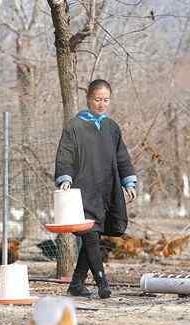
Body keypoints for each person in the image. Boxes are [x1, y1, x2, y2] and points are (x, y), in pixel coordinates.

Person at [54, 79, 137, 299]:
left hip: (106, 190)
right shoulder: (75, 126)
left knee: (94, 235)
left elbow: (122, 158)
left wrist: (128, 182)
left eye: (105, 100)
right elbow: (65, 155)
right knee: (90, 234)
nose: (101, 104)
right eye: (97, 99)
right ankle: (103, 283)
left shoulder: (111, 127)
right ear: (88, 98)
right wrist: (65, 178)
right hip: (82, 190)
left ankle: (76, 284)